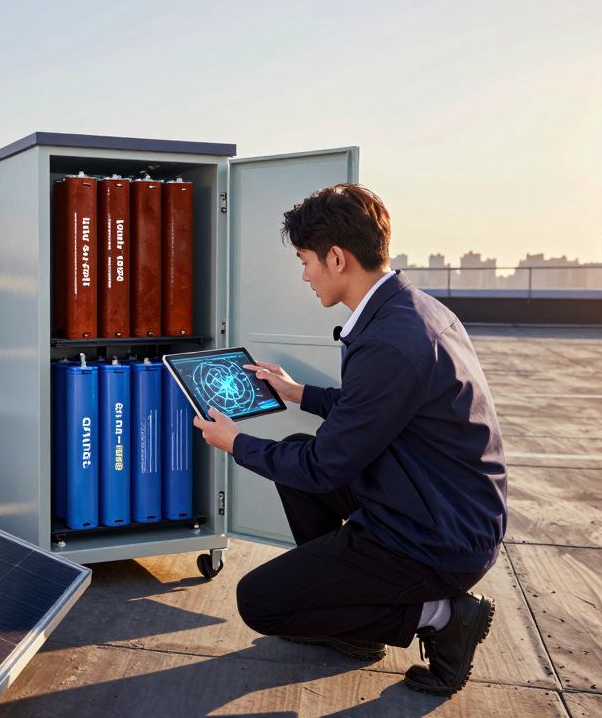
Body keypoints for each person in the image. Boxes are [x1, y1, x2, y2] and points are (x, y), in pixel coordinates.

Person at [191, 184, 507, 696]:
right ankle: (352, 623)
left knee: (262, 603)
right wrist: (297, 393)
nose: (304, 274)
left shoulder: (389, 340)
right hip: (436, 500)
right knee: (295, 447)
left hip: (437, 536)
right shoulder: (410, 310)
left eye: (305, 259)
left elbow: (323, 466)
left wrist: (235, 443)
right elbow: (374, 410)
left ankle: (443, 615)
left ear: (336, 257)